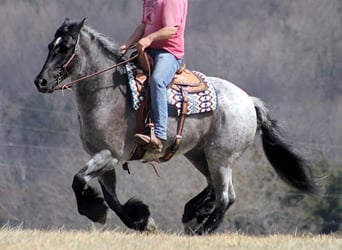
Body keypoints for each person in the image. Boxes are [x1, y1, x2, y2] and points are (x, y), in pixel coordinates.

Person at [120, 0, 188, 152]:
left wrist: (149, 38)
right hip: (148, 50)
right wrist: (127, 45)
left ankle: (159, 134)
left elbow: (171, 29)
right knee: (121, 73)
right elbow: (143, 25)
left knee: (157, 81)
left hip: (169, 53)